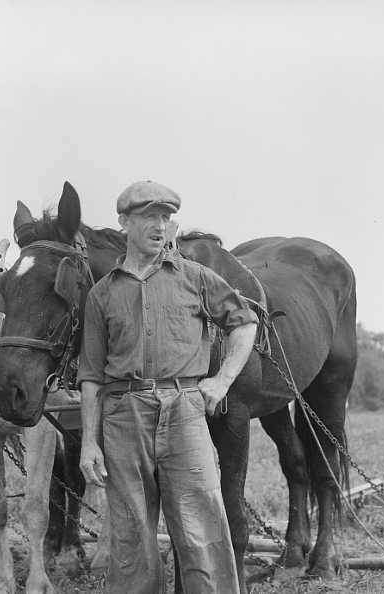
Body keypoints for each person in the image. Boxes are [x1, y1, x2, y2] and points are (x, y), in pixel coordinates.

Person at [77, 180, 259, 594]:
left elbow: (244, 322)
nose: (161, 226)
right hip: (124, 415)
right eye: (150, 217)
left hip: (185, 409)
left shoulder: (195, 277)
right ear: (124, 222)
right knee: (131, 534)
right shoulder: (102, 294)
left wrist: (223, 379)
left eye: (166, 217)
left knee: (201, 530)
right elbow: (90, 374)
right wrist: (89, 442)